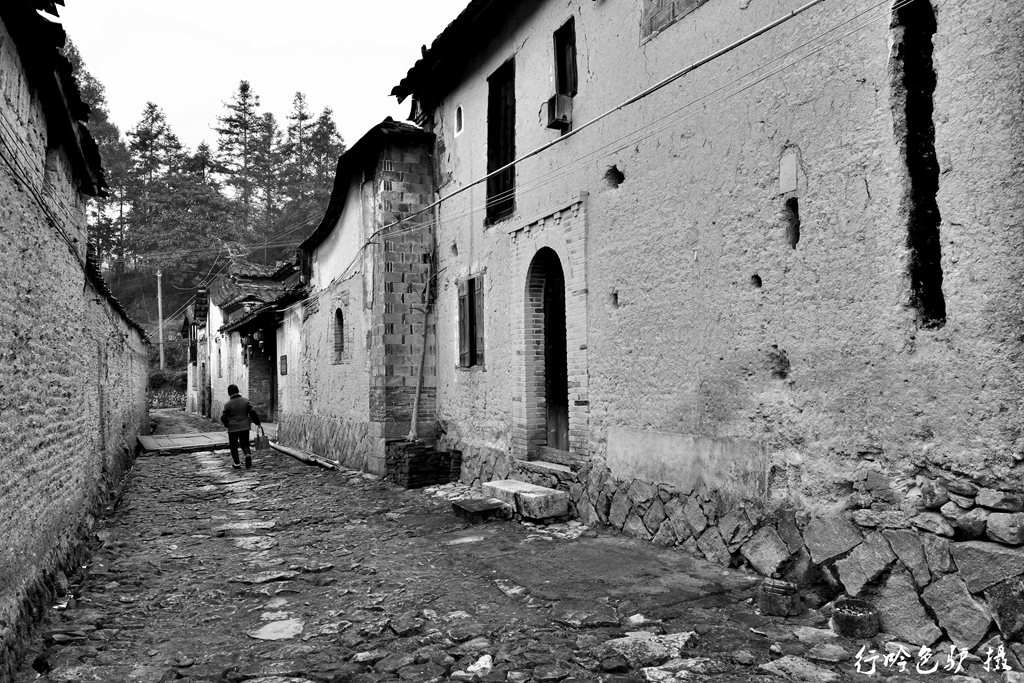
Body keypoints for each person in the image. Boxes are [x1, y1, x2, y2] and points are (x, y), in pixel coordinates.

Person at [220, 384, 261, 470]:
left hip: (233, 428)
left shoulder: (228, 404)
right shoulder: (246, 401)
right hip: (245, 426)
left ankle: (237, 463)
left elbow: (224, 417)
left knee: (233, 446)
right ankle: (247, 454)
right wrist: (257, 423)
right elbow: (252, 412)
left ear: (229, 393)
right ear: (238, 391)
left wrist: (227, 424)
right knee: (245, 443)